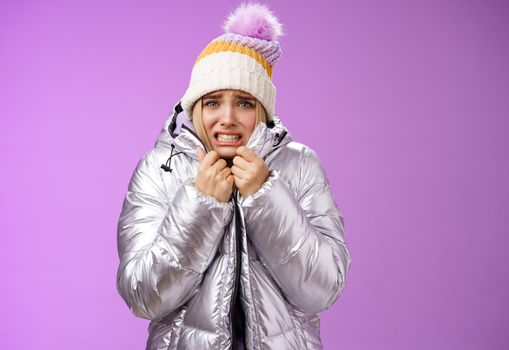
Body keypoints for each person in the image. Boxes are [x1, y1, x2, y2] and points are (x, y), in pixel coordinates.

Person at [116, 3, 351, 349]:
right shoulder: (159, 169)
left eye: (244, 103)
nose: (227, 118)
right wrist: (201, 205)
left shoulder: (300, 165)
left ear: (263, 110)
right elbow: (143, 296)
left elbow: (323, 289)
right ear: (195, 109)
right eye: (212, 103)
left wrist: (265, 196)